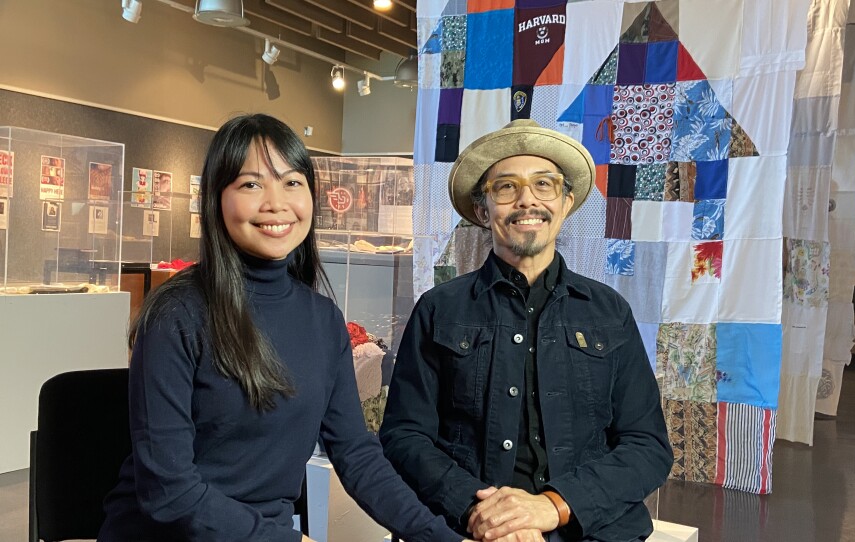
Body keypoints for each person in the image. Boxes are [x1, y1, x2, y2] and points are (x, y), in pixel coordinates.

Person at [98, 114, 474, 542]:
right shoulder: (176, 315)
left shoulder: (323, 319)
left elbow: (356, 454)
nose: (276, 203)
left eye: (292, 182)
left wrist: (443, 537)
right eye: (251, 184)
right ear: (216, 199)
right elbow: (170, 492)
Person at [379, 119, 673, 542]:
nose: (526, 201)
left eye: (544, 185)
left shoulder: (610, 313)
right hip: (467, 527)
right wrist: (480, 512)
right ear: (483, 210)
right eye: (506, 188)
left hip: (590, 530)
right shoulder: (438, 309)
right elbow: (404, 435)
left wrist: (553, 507)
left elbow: (648, 446)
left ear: (566, 202)